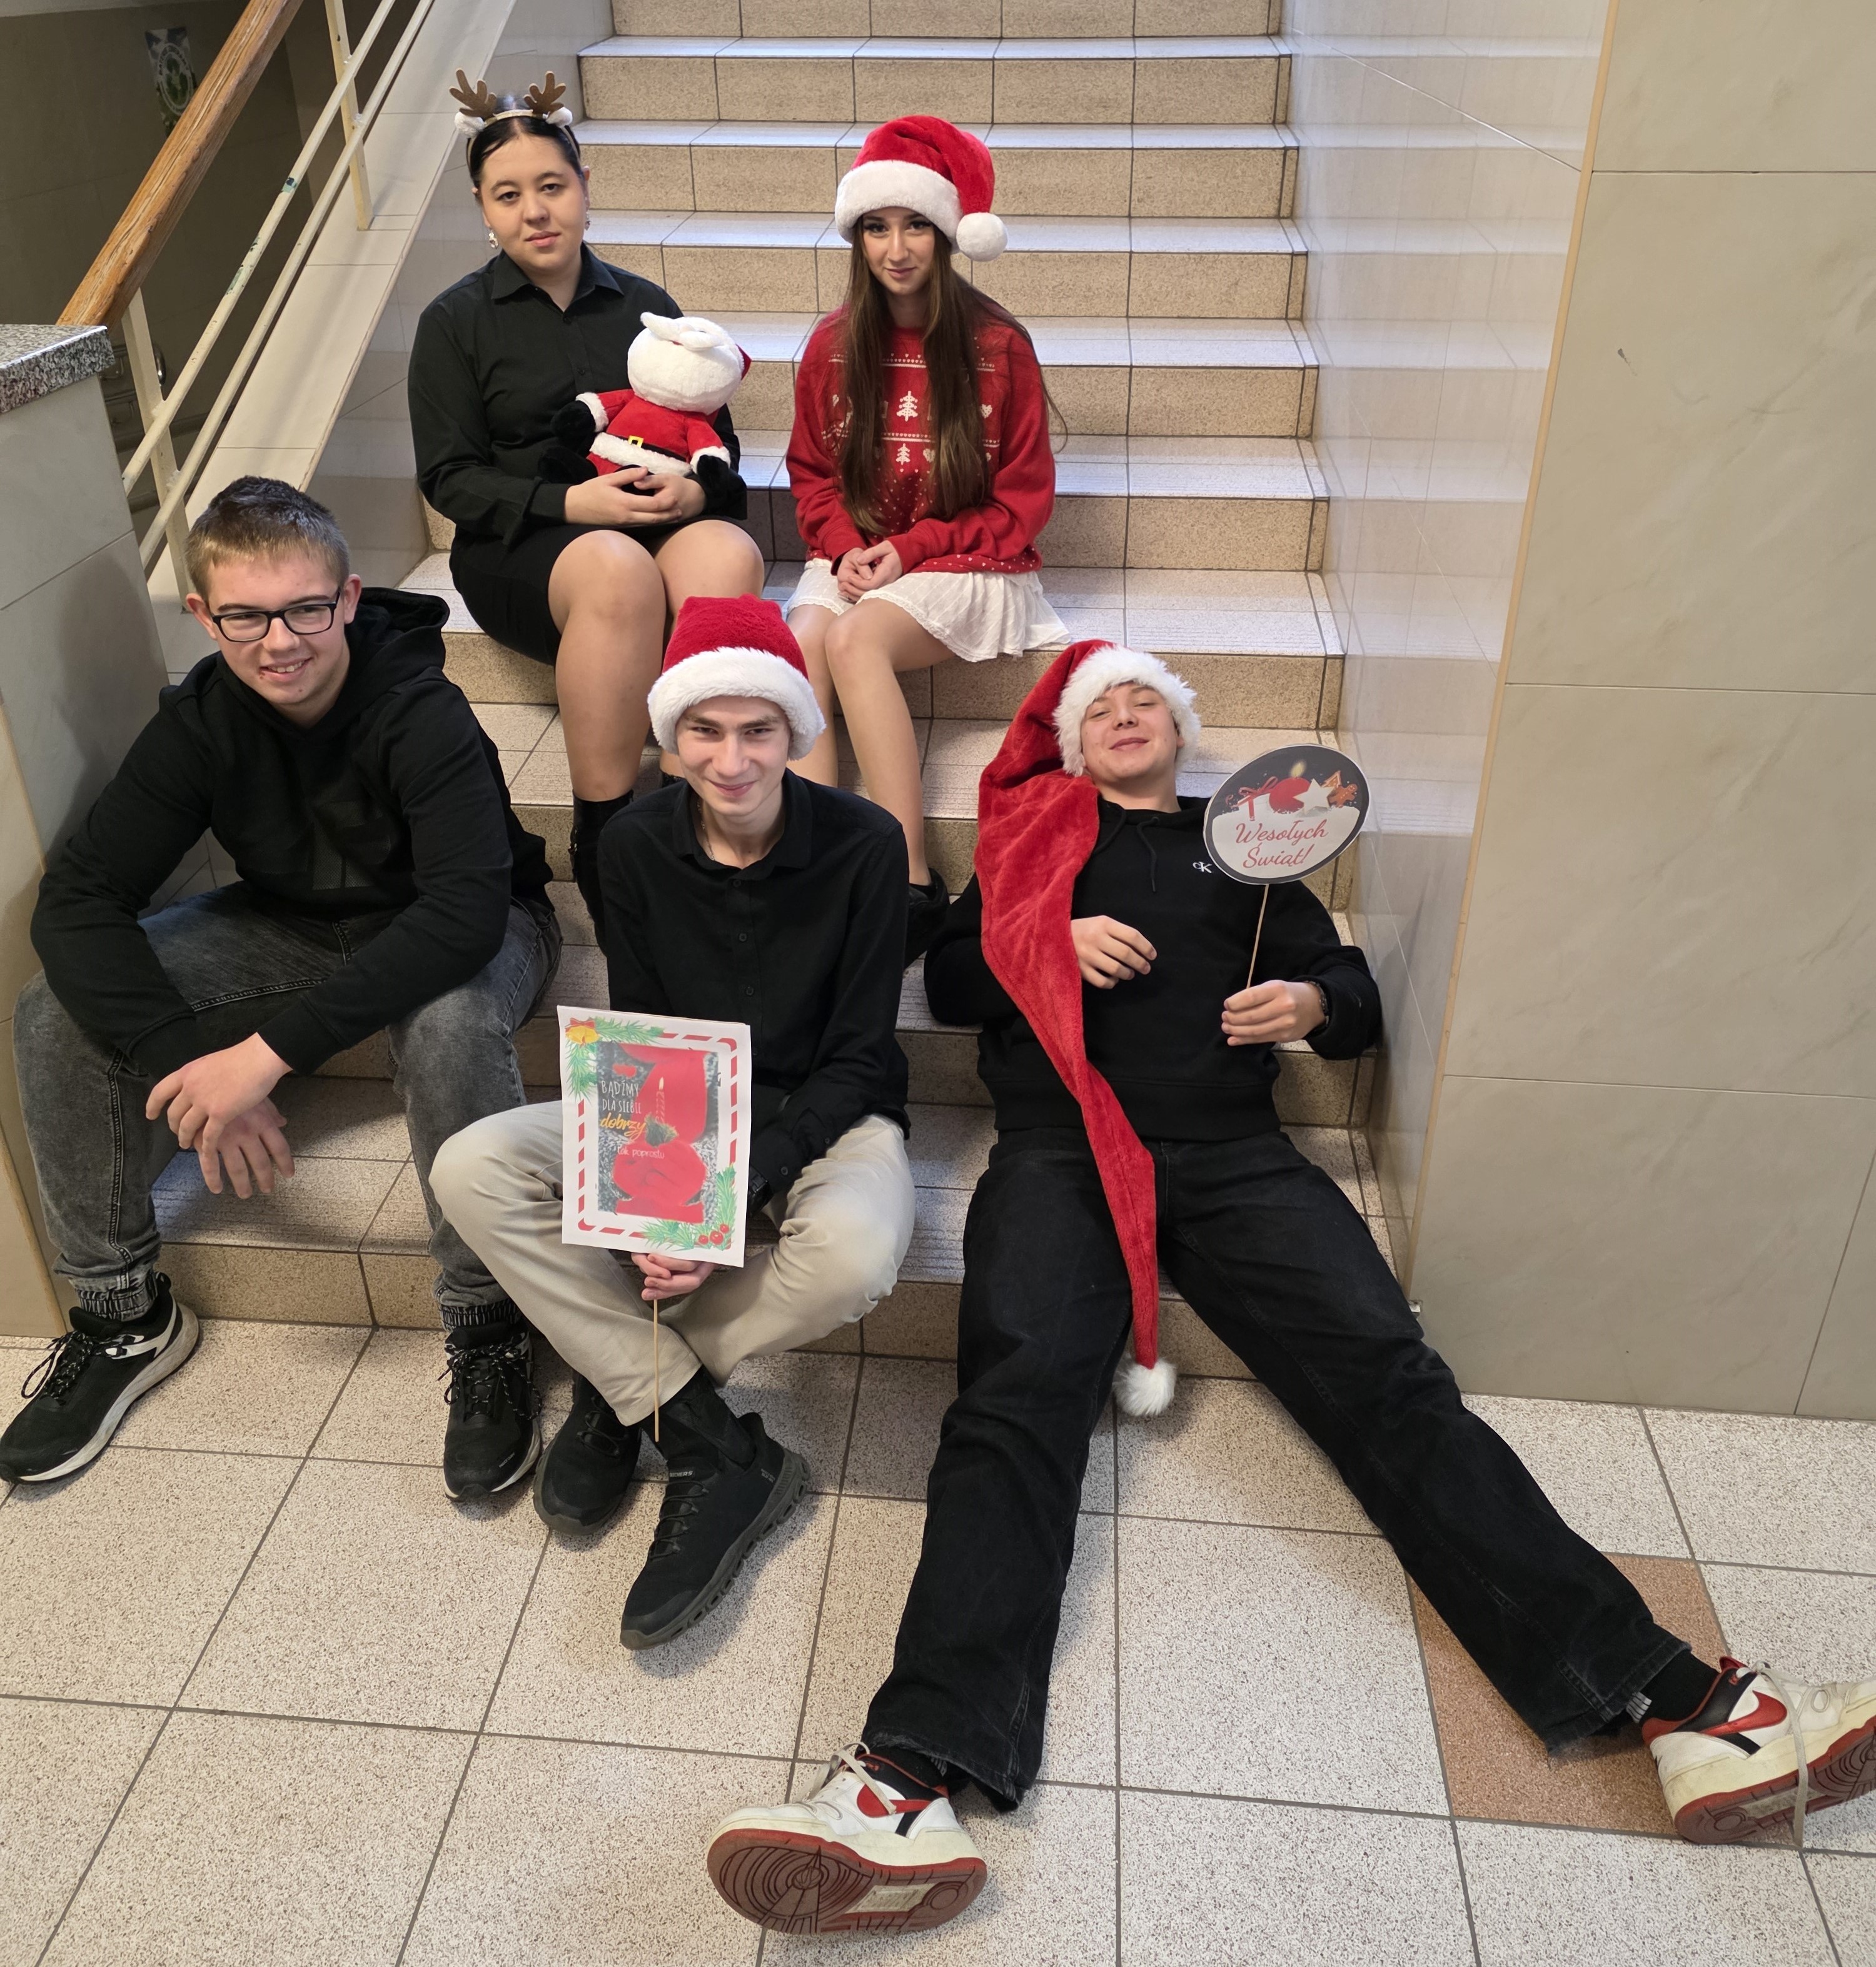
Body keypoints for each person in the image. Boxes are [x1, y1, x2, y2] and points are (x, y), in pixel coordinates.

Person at [706, 641, 1876, 1933]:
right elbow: (953, 978)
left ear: (1181, 732)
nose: (1126, 714)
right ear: (1074, 743)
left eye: (1148, 699)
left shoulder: (1253, 851)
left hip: (1236, 1158)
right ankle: (907, 1779)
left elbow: (1358, 995)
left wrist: (1311, 998)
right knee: (1013, 1404)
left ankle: (1688, 1707)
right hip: (1062, 1150)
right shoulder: (1037, 843)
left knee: (1393, 1384)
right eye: (1102, 706)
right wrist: (1045, 937)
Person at [0, 478, 559, 1499]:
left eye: (305, 609)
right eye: (247, 617)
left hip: (472, 918)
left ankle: (489, 1322)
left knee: (447, 1020)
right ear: (203, 615)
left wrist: (262, 1060)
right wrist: (186, 1061)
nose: (280, 643)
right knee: (50, 1011)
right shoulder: (201, 721)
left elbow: (464, 912)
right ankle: (124, 1317)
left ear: (348, 598)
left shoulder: (419, 707)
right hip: (292, 924)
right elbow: (77, 900)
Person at [432, 595, 915, 1649]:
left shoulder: (869, 844)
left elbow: (859, 1054)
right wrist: (665, 1206)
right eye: (705, 729)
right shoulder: (634, 843)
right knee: (470, 1163)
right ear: (671, 732)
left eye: (759, 730)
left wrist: (731, 1198)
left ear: (795, 730)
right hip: (686, 1099)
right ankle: (690, 1421)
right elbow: (645, 1039)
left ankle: (628, 1381)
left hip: (830, 1106)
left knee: (858, 1251)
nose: (732, 759)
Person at [408, 74, 765, 932]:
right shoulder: (454, 322)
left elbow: (716, 437)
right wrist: (572, 504)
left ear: (584, 187)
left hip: (651, 516)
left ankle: (698, 807)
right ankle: (604, 832)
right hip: (528, 545)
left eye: (552, 186)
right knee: (615, 571)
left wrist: (694, 487)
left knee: (728, 553)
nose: (535, 211)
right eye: (508, 195)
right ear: (482, 208)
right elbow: (449, 477)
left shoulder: (646, 306)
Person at [784, 116, 1065, 957]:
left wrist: (908, 550)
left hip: (969, 556)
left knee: (856, 640)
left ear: (948, 233)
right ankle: (816, 863)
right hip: (862, 549)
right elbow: (812, 473)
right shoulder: (831, 346)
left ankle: (908, 875)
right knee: (805, 638)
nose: (896, 248)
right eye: (877, 226)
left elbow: (1021, 503)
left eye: (915, 225)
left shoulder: (999, 346)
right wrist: (844, 545)